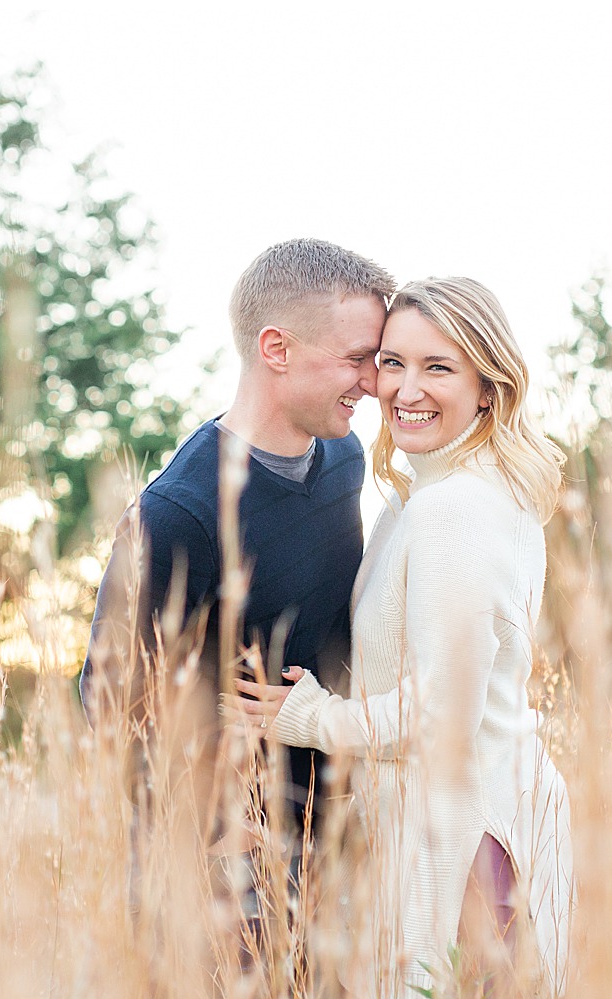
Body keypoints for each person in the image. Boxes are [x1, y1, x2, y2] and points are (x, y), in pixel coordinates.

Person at [233, 277, 574, 999]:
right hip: (480, 822)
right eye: (392, 362)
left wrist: (307, 717)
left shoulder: (451, 508)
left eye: (439, 368)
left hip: (460, 844)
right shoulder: (464, 489)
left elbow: (440, 715)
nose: (406, 390)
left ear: (490, 385)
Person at [79, 237, 394, 861]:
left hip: (337, 834)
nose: (374, 382)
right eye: (358, 358)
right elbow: (109, 699)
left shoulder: (343, 459)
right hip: (227, 875)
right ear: (276, 348)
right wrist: (211, 829)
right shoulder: (176, 515)